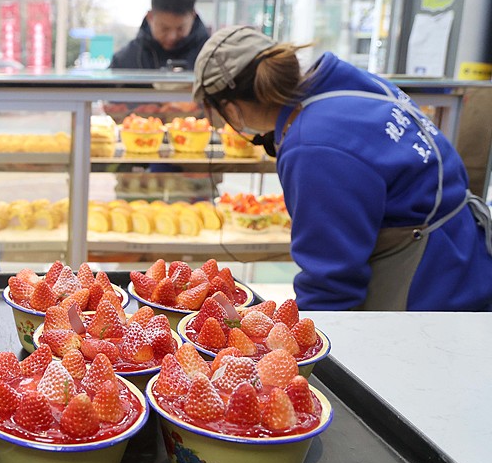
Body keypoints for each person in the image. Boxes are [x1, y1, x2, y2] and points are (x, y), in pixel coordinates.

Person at [192, 25, 492, 311]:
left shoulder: (312, 144)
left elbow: (330, 280)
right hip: (467, 254)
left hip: (429, 286)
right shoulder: (347, 82)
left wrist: (312, 356)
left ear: (230, 109)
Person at [110, 0, 210, 71]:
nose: (172, 37)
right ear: (150, 17)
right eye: (164, 28)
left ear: (193, 16)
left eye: (180, 28)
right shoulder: (126, 60)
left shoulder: (212, 57)